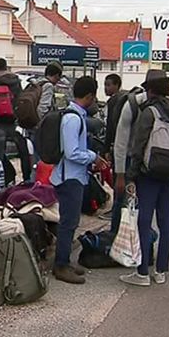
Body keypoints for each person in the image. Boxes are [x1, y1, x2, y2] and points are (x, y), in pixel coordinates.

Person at [120, 69, 169, 287]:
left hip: (148, 175)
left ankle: (142, 272)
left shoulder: (149, 112)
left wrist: (131, 175)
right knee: (166, 223)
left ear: (150, 90)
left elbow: (138, 147)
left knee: (143, 221)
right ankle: (162, 270)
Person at [52, 76, 108, 284]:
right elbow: (71, 152)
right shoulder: (73, 118)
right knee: (68, 222)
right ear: (90, 96)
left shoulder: (76, 116)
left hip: (75, 176)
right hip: (69, 178)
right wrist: (93, 157)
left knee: (72, 221)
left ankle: (65, 261)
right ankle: (61, 265)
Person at [110, 85, 146, 233]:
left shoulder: (162, 105)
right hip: (130, 161)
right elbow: (121, 142)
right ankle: (116, 239)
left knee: (134, 204)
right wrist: (120, 174)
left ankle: (130, 241)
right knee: (123, 202)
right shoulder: (133, 105)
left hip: (143, 162)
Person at [98, 73, 127, 222]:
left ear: (117, 85)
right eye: (105, 84)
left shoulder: (114, 101)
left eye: (109, 84)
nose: (106, 88)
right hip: (125, 146)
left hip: (117, 145)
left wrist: (106, 149)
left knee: (118, 178)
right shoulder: (124, 99)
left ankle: (116, 210)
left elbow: (110, 127)